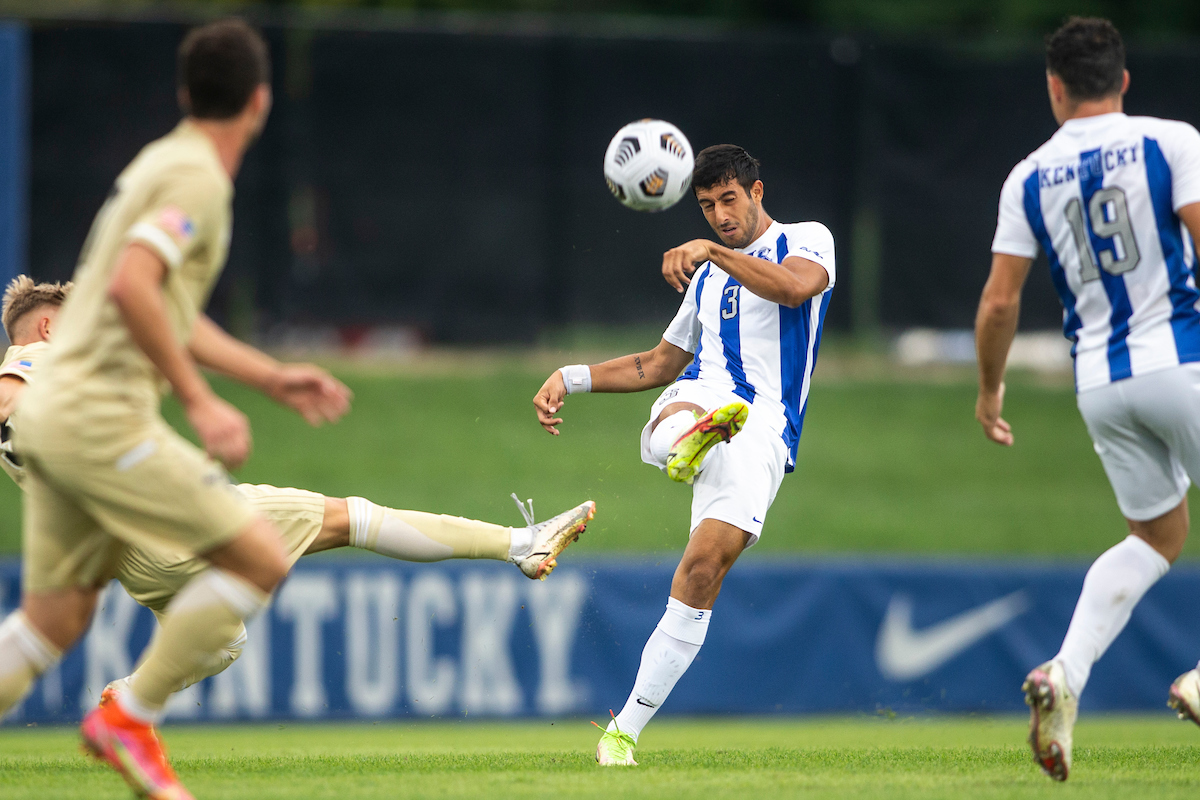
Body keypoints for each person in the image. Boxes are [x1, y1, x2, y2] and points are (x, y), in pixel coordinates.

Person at [0, 20, 351, 800]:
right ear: (259, 102)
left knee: (49, 623)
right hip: (99, 417)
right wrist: (200, 400)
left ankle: (130, 712)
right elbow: (132, 287)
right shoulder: (196, 180)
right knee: (258, 558)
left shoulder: (157, 163)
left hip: (55, 419)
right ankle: (130, 714)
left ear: (185, 93)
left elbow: (162, 301)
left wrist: (265, 375)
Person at [0, 275, 594, 701]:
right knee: (351, 518)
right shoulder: (40, 356)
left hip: (135, 562)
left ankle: (125, 701)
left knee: (223, 640)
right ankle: (522, 543)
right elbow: (16, 391)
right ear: (50, 325)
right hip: (173, 519)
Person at [533, 144, 835, 766]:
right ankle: (689, 439)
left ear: (756, 192)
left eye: (729, 200)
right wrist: (573, 374)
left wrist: (715, 253)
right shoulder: (708, 276)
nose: (719, 216)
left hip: (764, 428)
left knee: (703, 570)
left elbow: (796, 290)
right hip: (707, 400)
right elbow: (657, 363)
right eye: (706, 207)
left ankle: (624, 732)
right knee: (675, 407)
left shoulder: (808, 239)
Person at [976, 15, 1200, 783]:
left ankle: (1066, 673)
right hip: (1183, 359)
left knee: (1157, 535)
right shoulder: (1170, 142)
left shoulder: (1029, 174)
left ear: (1055, 87)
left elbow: (1000, 303)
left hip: (1100, 384)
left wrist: (989, 388)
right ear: (1125, 80)